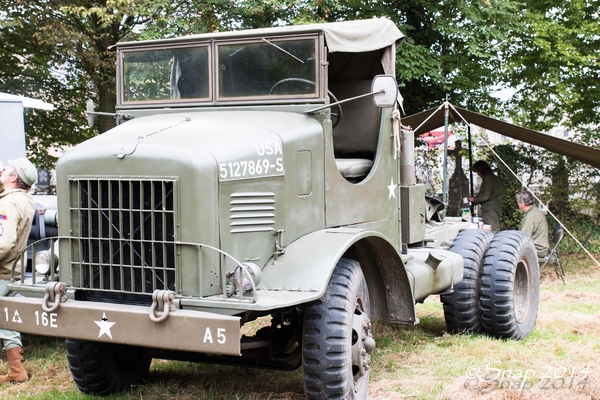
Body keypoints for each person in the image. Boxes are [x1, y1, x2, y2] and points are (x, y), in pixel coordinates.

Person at [0, 158, 37, 383]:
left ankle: (17, 371)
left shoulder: (8, 204)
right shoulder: (24, 199)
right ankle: (17, 371)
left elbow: (4, 243)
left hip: (1, 270)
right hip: (13, 270)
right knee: (6, 320)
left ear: (14, 178)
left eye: (5, 169)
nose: (1, 170)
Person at [467, 160, 503, 233]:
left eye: (478, 172)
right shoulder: (492, 177)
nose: (478, 174)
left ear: (481, 170)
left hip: (490, 209)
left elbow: (485, 196)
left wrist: (474, 199)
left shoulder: (488, 178)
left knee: (491, 230)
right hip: (492, 207)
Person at [516, 189, 549, 258]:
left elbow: (523, 238)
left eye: (518, 202)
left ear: (523, 204)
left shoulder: (530, 217)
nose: (517, 204)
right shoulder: (535, 211)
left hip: (538, 249)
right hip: (541, 247)